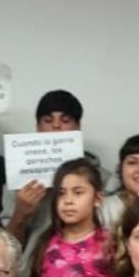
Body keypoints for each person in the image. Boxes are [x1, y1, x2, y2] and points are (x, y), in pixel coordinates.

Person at [22, 159, 116, 277]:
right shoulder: (47, 242)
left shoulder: (109, 244)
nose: (68, 201)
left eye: (78, 192)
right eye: (61, 193)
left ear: (97, 199)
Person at [6, 89, 108, 244]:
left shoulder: (102, 179)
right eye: (48, 120)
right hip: (34, 259)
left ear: (78, 127)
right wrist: (20, 214)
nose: (56, 125)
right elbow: (5, 248)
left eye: (65, 120)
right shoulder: (18, 181)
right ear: (38, 127)